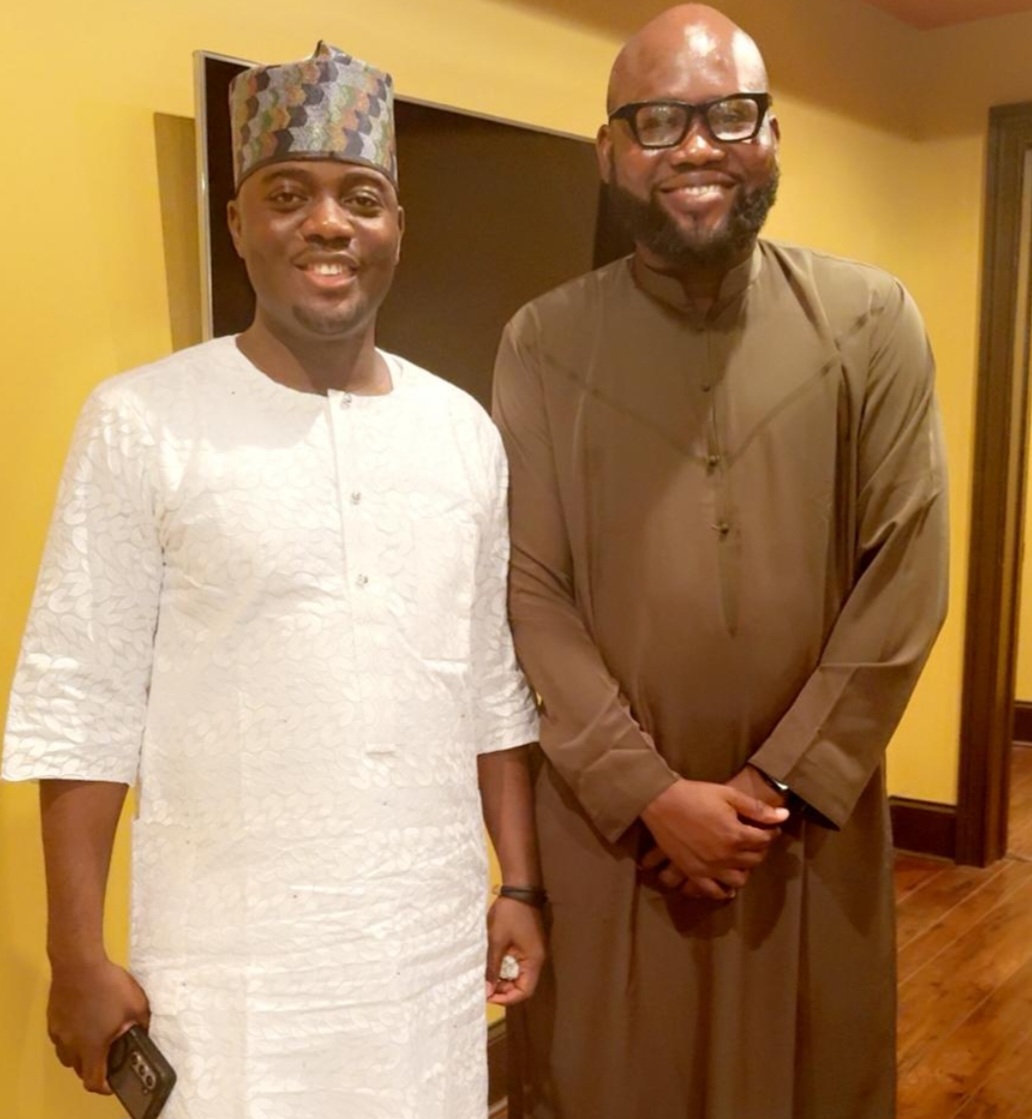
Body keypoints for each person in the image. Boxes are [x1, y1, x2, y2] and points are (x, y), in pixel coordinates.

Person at [3, 41, 545, 1119]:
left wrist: (518, 882)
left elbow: (489, 682)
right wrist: (75, 952)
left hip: (424, 951)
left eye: (362, 197)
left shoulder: (463, 433)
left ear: (397, 228)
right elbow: (83, 701)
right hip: (228, 972)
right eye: (288, 194)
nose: (329, 223)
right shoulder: (141, 420)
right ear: (238, 223)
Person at [491, 6, 948, 1118]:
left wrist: (771, 787)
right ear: (610, 150)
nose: (695, 147)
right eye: (656, 121)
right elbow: (529, 587)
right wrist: (647, 792)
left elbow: (908, 570)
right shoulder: (541, 343)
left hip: (802, 834)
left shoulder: (871, 321)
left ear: (773, 135)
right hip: (615, 838)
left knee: (811, 1076)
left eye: (727, 116)